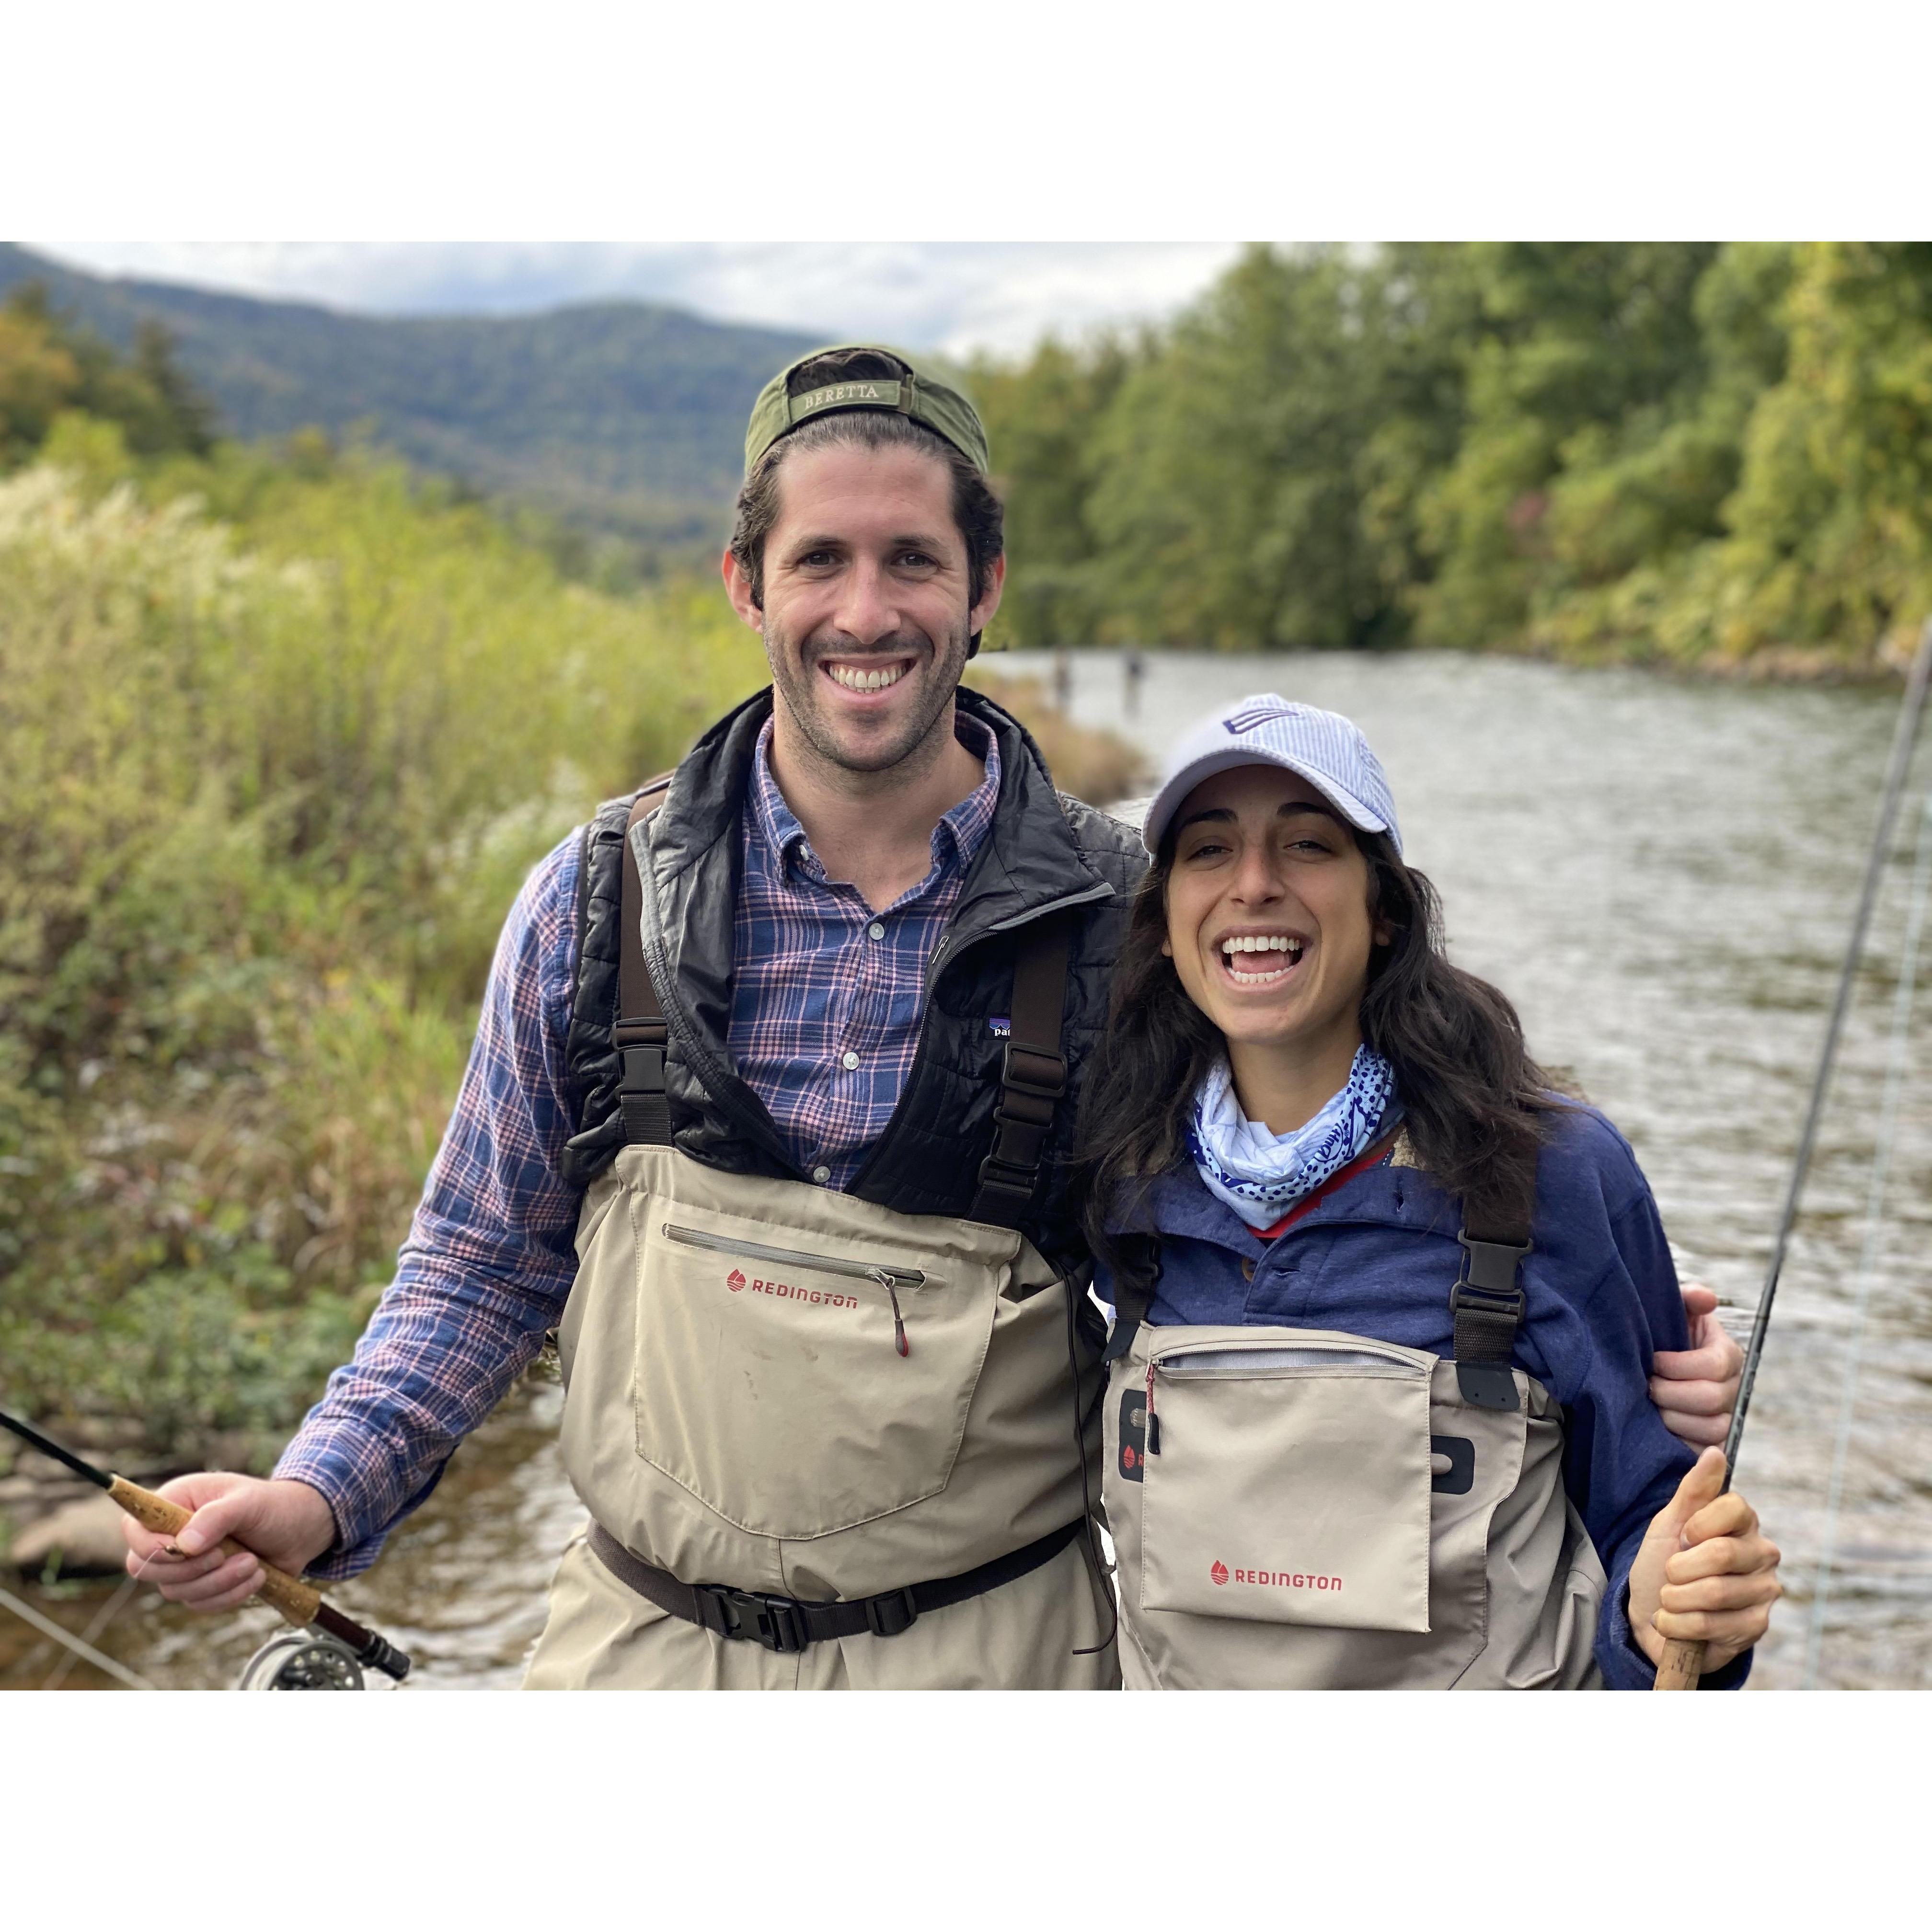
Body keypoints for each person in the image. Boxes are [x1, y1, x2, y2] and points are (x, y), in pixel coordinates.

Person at [119, 348, 1744, 1690]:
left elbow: (1298, 1226)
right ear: (746, 585)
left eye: (913, 559)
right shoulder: (591, 897)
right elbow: (481, 1262)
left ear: (985, 594)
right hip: (634, 1653)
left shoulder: (1133, 921)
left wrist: (1598, 1325)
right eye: (820, 558)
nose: (866, 607)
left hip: (996, 1667)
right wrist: (320, 1493)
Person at [1076, 696, 1782, 1689]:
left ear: (1388, 910)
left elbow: (1645, 1535)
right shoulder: (1114, 1167)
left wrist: (1682, 1606)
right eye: (1209, 850)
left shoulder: (1555, 1171)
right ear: (1163, 924)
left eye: (1309, 845)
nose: (1255, 885)